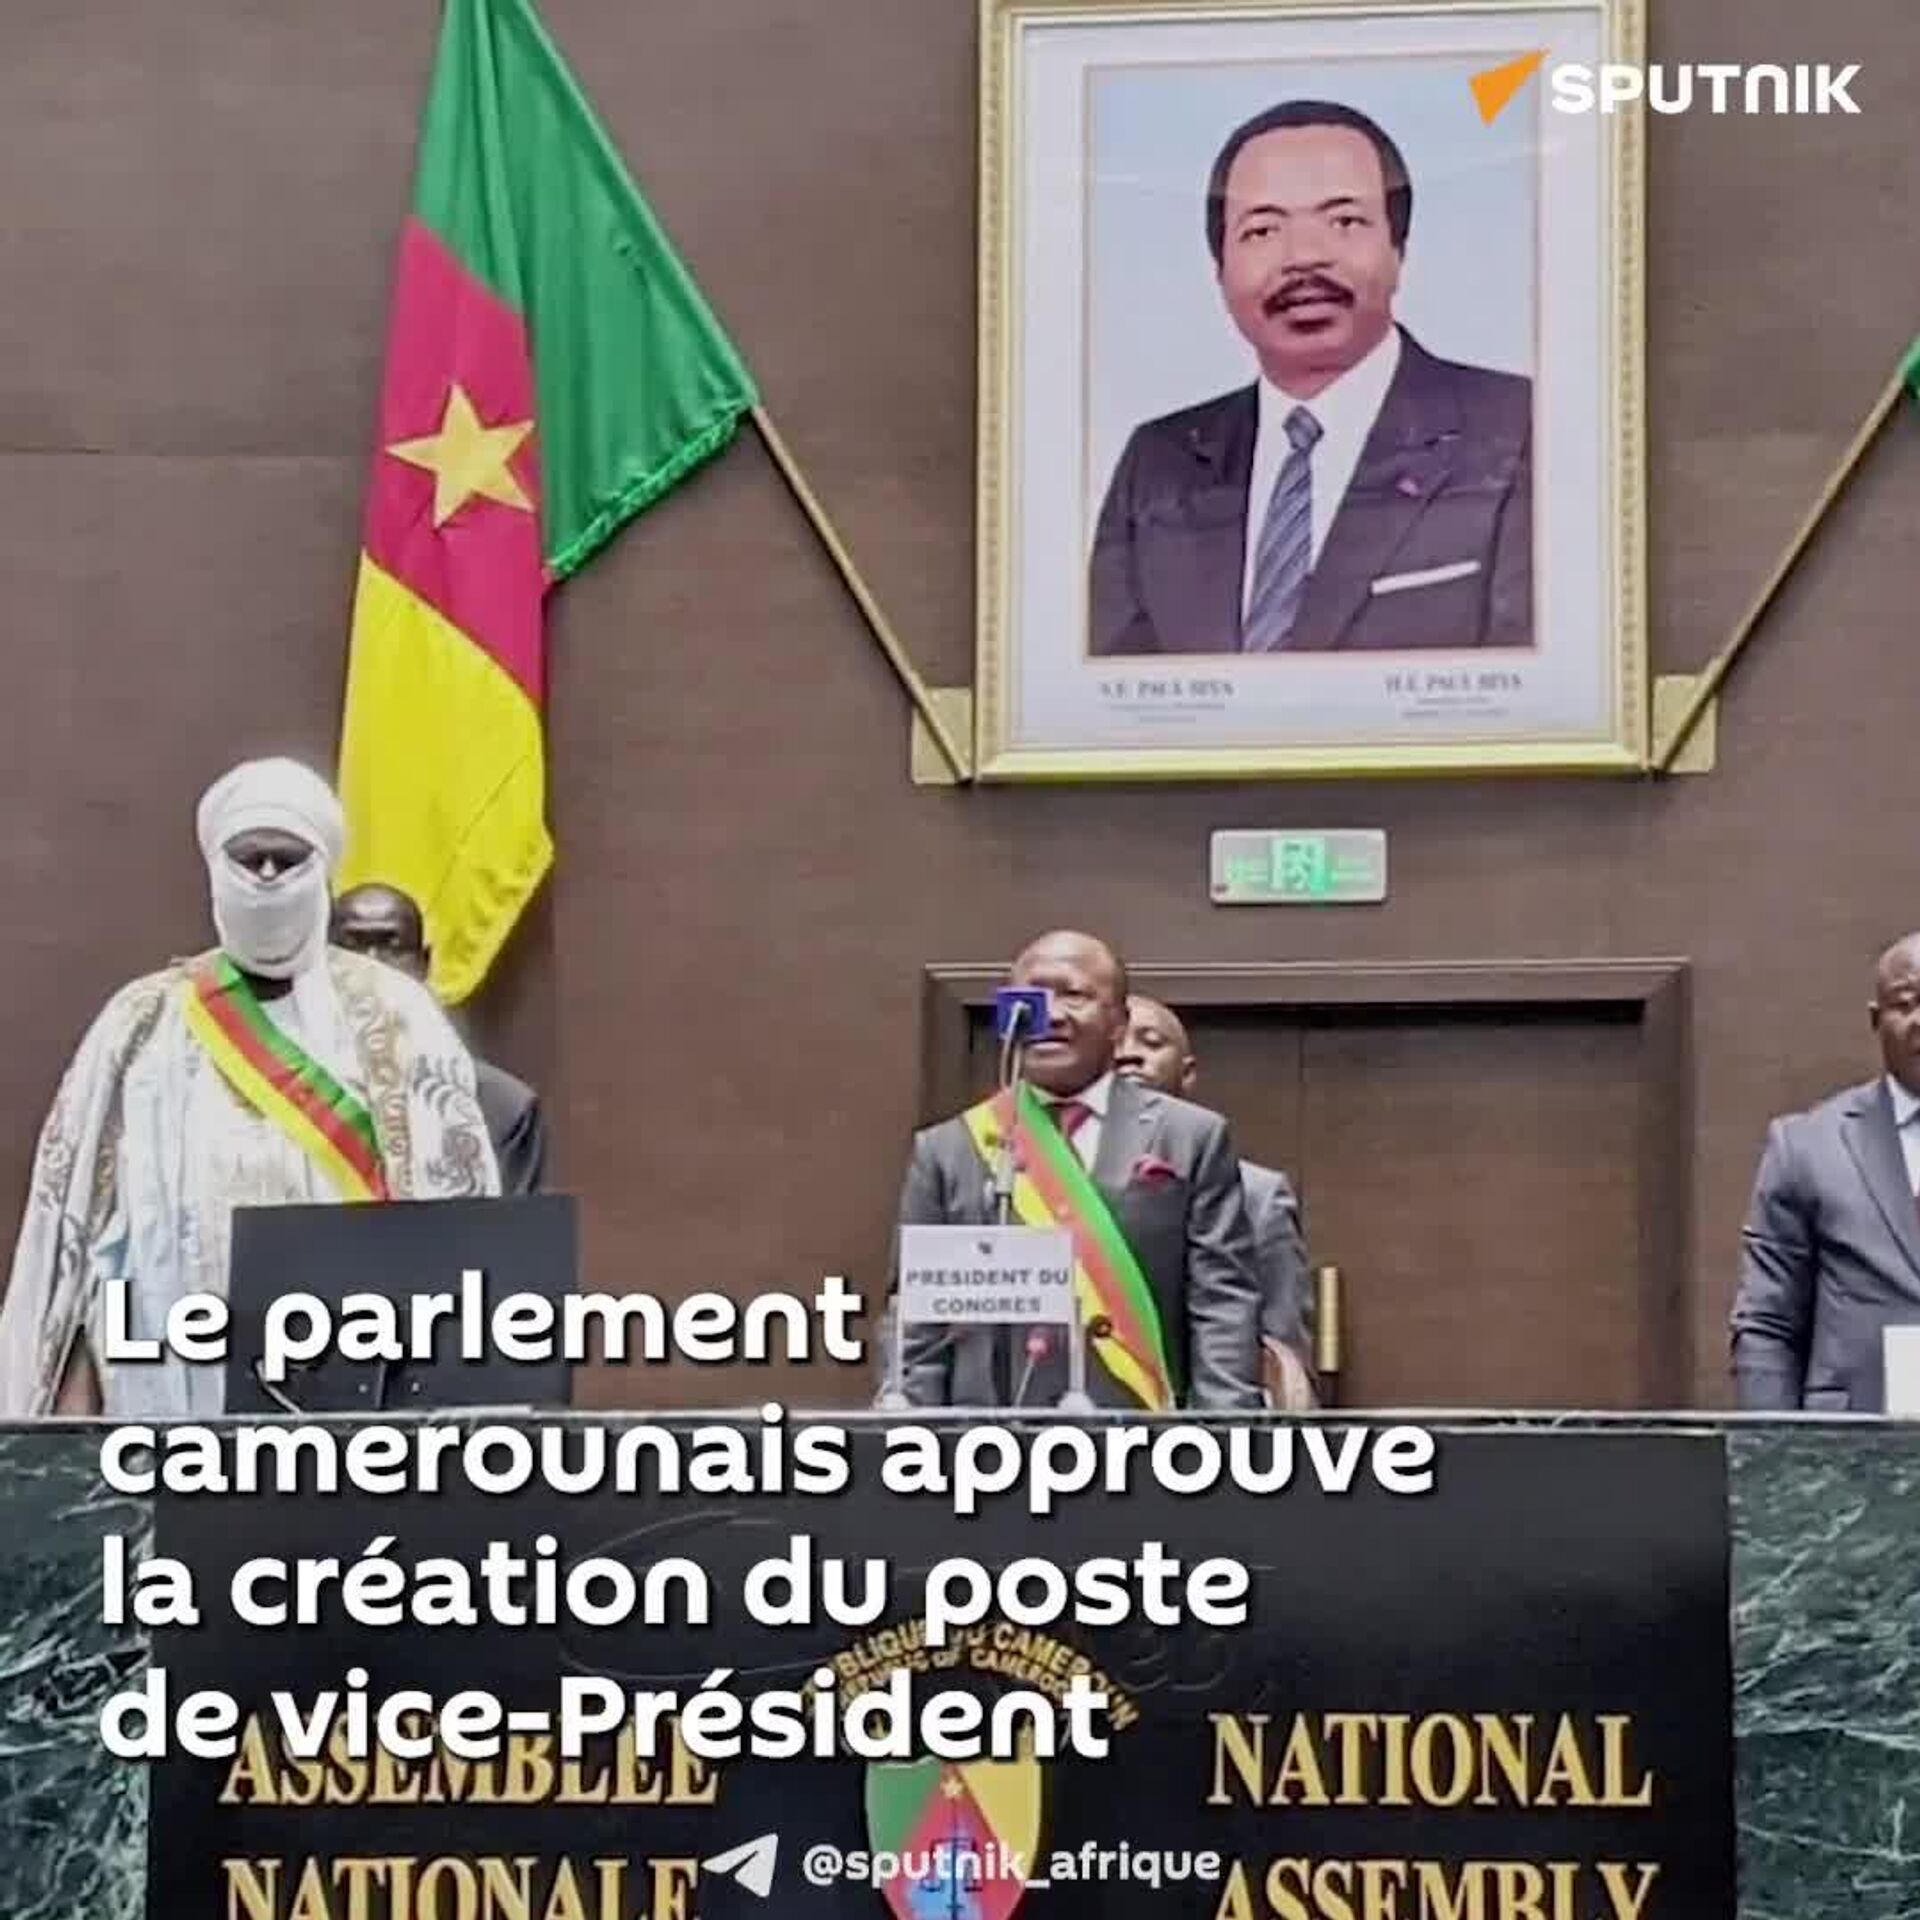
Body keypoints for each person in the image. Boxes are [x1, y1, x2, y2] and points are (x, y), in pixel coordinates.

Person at [0, 759, 499, 1418]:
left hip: (356, 1385)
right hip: (171, 1380)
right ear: (215, 867)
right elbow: (73, 1240)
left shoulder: (400, 1018)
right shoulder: (141, 1024)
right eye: (249, 858)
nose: (266, 876)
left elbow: (459, 1228)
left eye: (287, 860)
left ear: (323, 869)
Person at [1089, 99, 1532, 657]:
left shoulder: (1519, 427)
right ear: (1219, 270)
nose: (1303, 257)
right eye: (1262, 230)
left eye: (1344, 221)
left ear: (1398, 251)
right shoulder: (1159, 461)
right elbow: (1113, 688)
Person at [892, 930, 1262, 1411]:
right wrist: (910, 1431)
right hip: (986, 1439)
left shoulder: (1190, 1136)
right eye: (1032, 995)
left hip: (1141, 1433)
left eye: (1074, 995)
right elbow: (916, 1322)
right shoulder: (948, 1148)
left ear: (1118, 1024)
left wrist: (1227, 1434)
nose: (1050, 1014)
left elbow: (1222, 1304)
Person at [1731, 933, 1920, 1412]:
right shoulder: (1808, 1146)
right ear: (1876, 1019)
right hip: (1851, 1445)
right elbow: (1767, 1325)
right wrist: (1776, 1451)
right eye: (1906, 1003)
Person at [1116, 994, 1318, 1409]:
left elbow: (1281, 1353)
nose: (1129, 1054)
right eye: (1115, 1042)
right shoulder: (1048, 1186)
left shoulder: (1257, 1195)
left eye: (1151, 1041)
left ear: (1187, 1073)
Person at [331, 883, 546, 1196]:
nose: (372, 964)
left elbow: (517, 1226)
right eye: (352, 948)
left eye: (392, 946)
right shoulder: (279, 1088)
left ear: (424, 962)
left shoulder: (501, 1106)